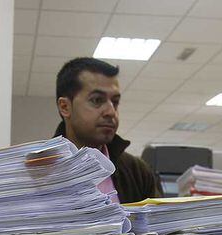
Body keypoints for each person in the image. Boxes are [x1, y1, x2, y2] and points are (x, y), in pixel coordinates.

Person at [54, 57, 162, 203]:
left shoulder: (138, 172)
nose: (111, 112)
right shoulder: (39, 171)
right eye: (97, 100)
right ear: (65, 107)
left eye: (115, 102)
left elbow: (156, 224)